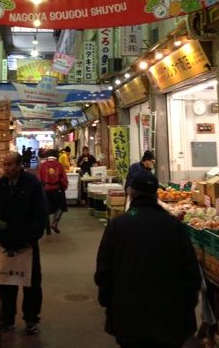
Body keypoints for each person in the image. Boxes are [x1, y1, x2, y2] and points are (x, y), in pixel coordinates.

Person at [94, 171, 201, 348]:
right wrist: (188, 305)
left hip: (128, 314)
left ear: (131, 193)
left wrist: (108, 301)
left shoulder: (118, 225)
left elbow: (104, 269)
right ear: (155, 194)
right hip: (170, 316)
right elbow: (191, 271)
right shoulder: (174, 225)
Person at [0, 151, 47, 335]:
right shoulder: (1, 184)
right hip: (7, 243)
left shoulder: (32, 184)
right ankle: (8, 319)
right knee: (6, 283)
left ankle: (31, 319)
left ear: (20, 165)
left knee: (31, 284)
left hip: (27, 244)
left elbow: (40, 212)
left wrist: (32, 237)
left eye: (10, 164)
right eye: (4, 164)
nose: (6, 168)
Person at [38, 149, 68, 234]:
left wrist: (41, 188)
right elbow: (63, 179)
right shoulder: (59, 165)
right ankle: (55, 223)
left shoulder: (42, 166)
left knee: (46, 208)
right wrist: (64, 187)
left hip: (45, 189)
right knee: (61, 206)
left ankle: (47, 228)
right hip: (57, 189)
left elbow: (39, 178)